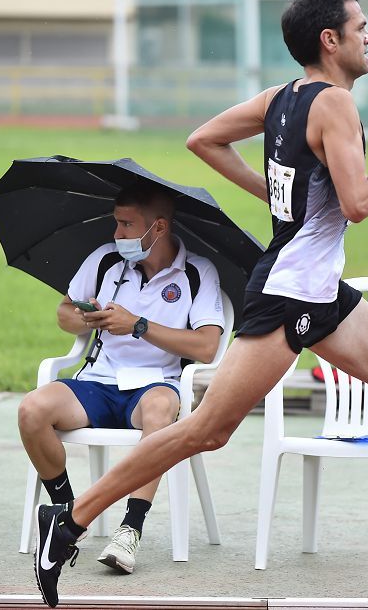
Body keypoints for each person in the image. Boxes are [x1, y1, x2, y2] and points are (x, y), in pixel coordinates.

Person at [32, 0, 368, 607]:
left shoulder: (281, 97)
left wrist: (281, 200)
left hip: (319, 289)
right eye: (361, 27)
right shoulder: (334, 103)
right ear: (331, 40)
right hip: (288, 294)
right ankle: (74, 518)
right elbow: (357, 204)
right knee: (209, 430)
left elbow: (203, 139)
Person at [19, 182, 224, 577]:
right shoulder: (104, 261)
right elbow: (63, 312)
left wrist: (138, 325)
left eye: (127, 225)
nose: (117, 235)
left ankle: (130, 530)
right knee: (31, 409)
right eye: (117, 224)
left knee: (161, 410)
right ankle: (65, 514)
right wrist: (85, 316)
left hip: (155, 384)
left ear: (159, 228)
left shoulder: (199, 272)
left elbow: (207, 347)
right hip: (97, 381)